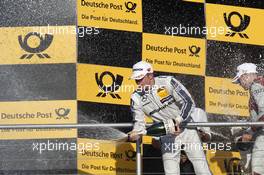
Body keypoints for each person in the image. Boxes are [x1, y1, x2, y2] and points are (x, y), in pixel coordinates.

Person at [128, 61, 212, 175]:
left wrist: (177, 121)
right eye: (136, 80)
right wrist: (136, 132)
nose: (138, 83)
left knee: (201, 169)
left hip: (187, 128)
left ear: (150, 75)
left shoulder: (168, 81)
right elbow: (139, 122)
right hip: (166, 134)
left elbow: (188, 102)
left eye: (140, 79)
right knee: (171, 172)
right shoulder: (135, 98)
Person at [232, 63, 264, 175]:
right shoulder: (259, 85)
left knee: (257, 171)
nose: (239, 84)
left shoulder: (256, 85)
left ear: (245, 76)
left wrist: (251, 131)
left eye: (239, 80)